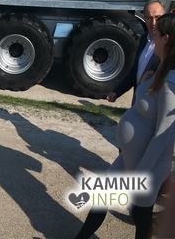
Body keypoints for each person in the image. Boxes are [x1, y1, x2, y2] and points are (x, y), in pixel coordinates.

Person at [75, 13, 175, 239]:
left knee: (141, 217)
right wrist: (147, 80)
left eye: (156, 33)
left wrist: (142, 172)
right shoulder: (161, 69)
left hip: (147, 165)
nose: (152, 36)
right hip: (131, 156)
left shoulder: (171, 81)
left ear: (166, 38)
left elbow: (165, 134)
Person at [108, 0, 167, 103]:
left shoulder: (169, 46)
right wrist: (117, 91)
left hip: (155, 104)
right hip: (138, 101)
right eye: (149, 18)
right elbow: (135, 71)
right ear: (144, 19)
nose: (153, 23)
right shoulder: (143, 39)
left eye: (157, 17)